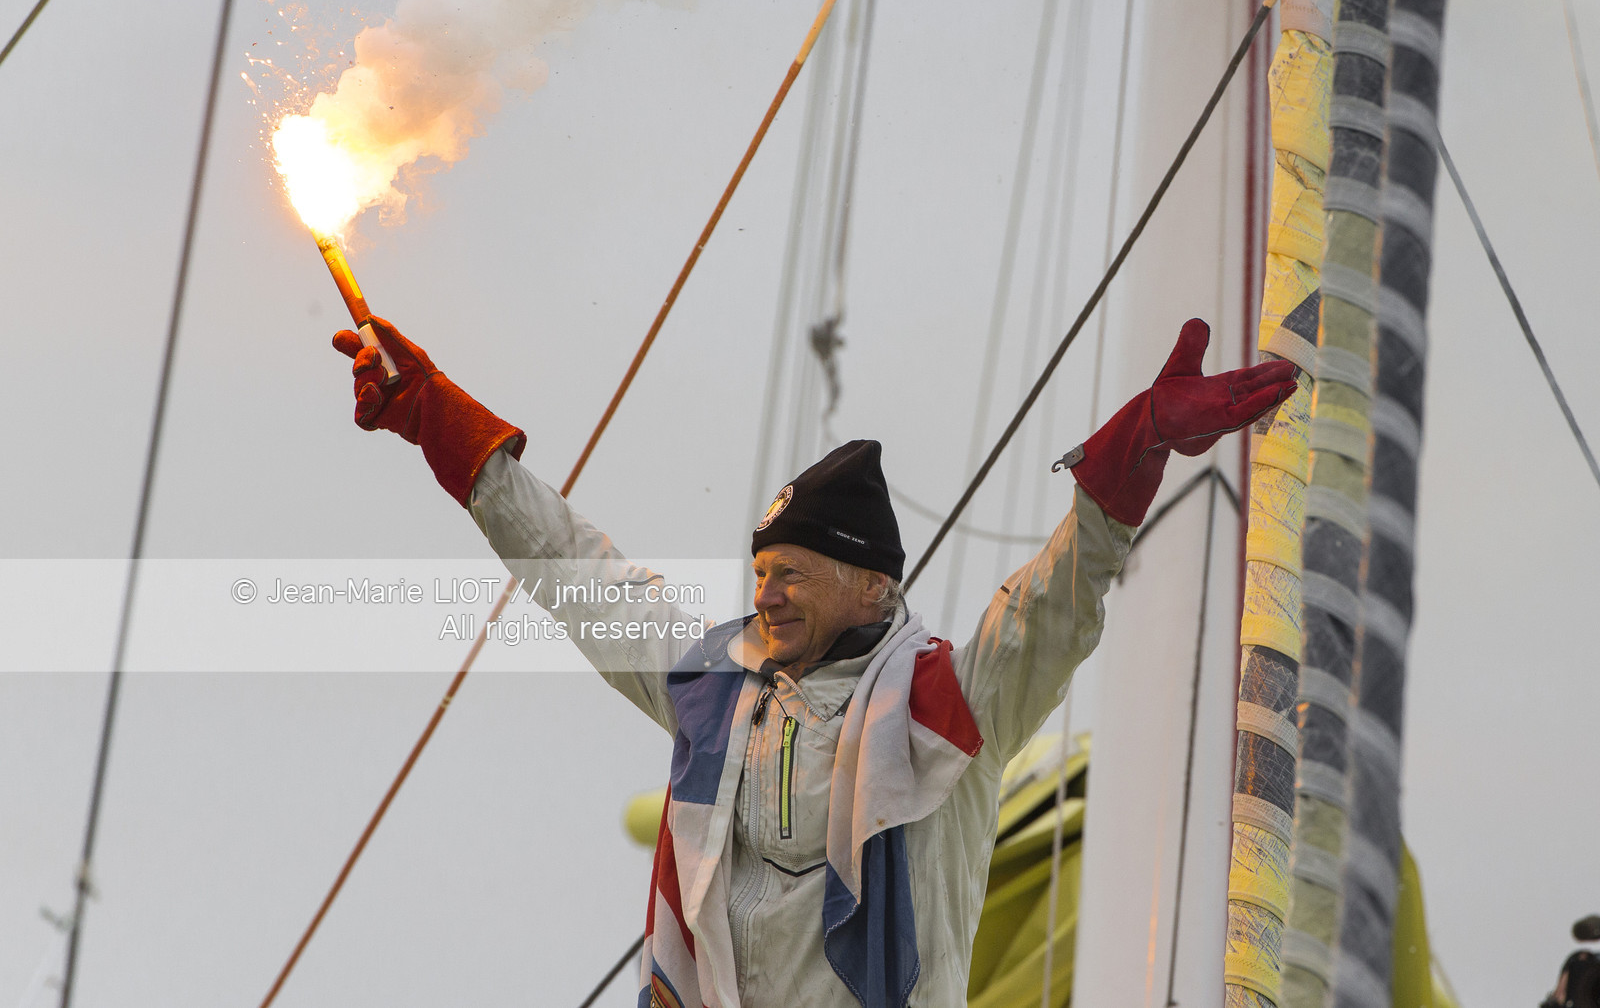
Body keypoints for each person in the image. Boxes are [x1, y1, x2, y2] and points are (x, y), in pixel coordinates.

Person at [332, 316, 1294, 1008]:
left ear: (874, 586)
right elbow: (576, 571)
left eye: (793, 571)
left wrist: (1137, 448)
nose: (767, 592)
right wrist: (438, 421)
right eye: (759, 570)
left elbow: (1056, 601)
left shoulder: (949, 706)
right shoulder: (719, 692)